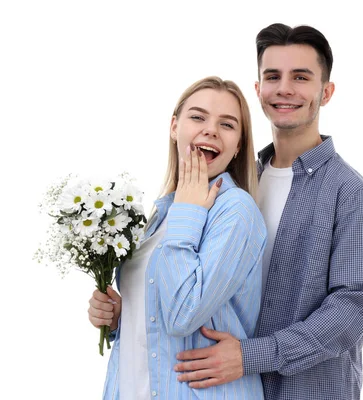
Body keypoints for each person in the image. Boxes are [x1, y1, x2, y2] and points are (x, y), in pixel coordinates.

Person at [173, 23, 363, 399]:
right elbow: (194, 279)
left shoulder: (351, 193)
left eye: (300, 77)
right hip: (230, 389)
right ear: (258, 90)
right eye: (273, 76)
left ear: (326, 91)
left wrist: (250, 356)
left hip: (308, 390)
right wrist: (127, 305)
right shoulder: (234, 183)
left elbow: (350, 310)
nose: (284, 88)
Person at [87, 76, 267, 399]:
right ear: (174, 127)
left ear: (239, 144)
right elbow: (156, 315)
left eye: (227, 125)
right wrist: (118, 319)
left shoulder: (236, 211)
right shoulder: (162, 211)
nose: (210, 130)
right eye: (198, 117)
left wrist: (188, 213)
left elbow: (183, 314)